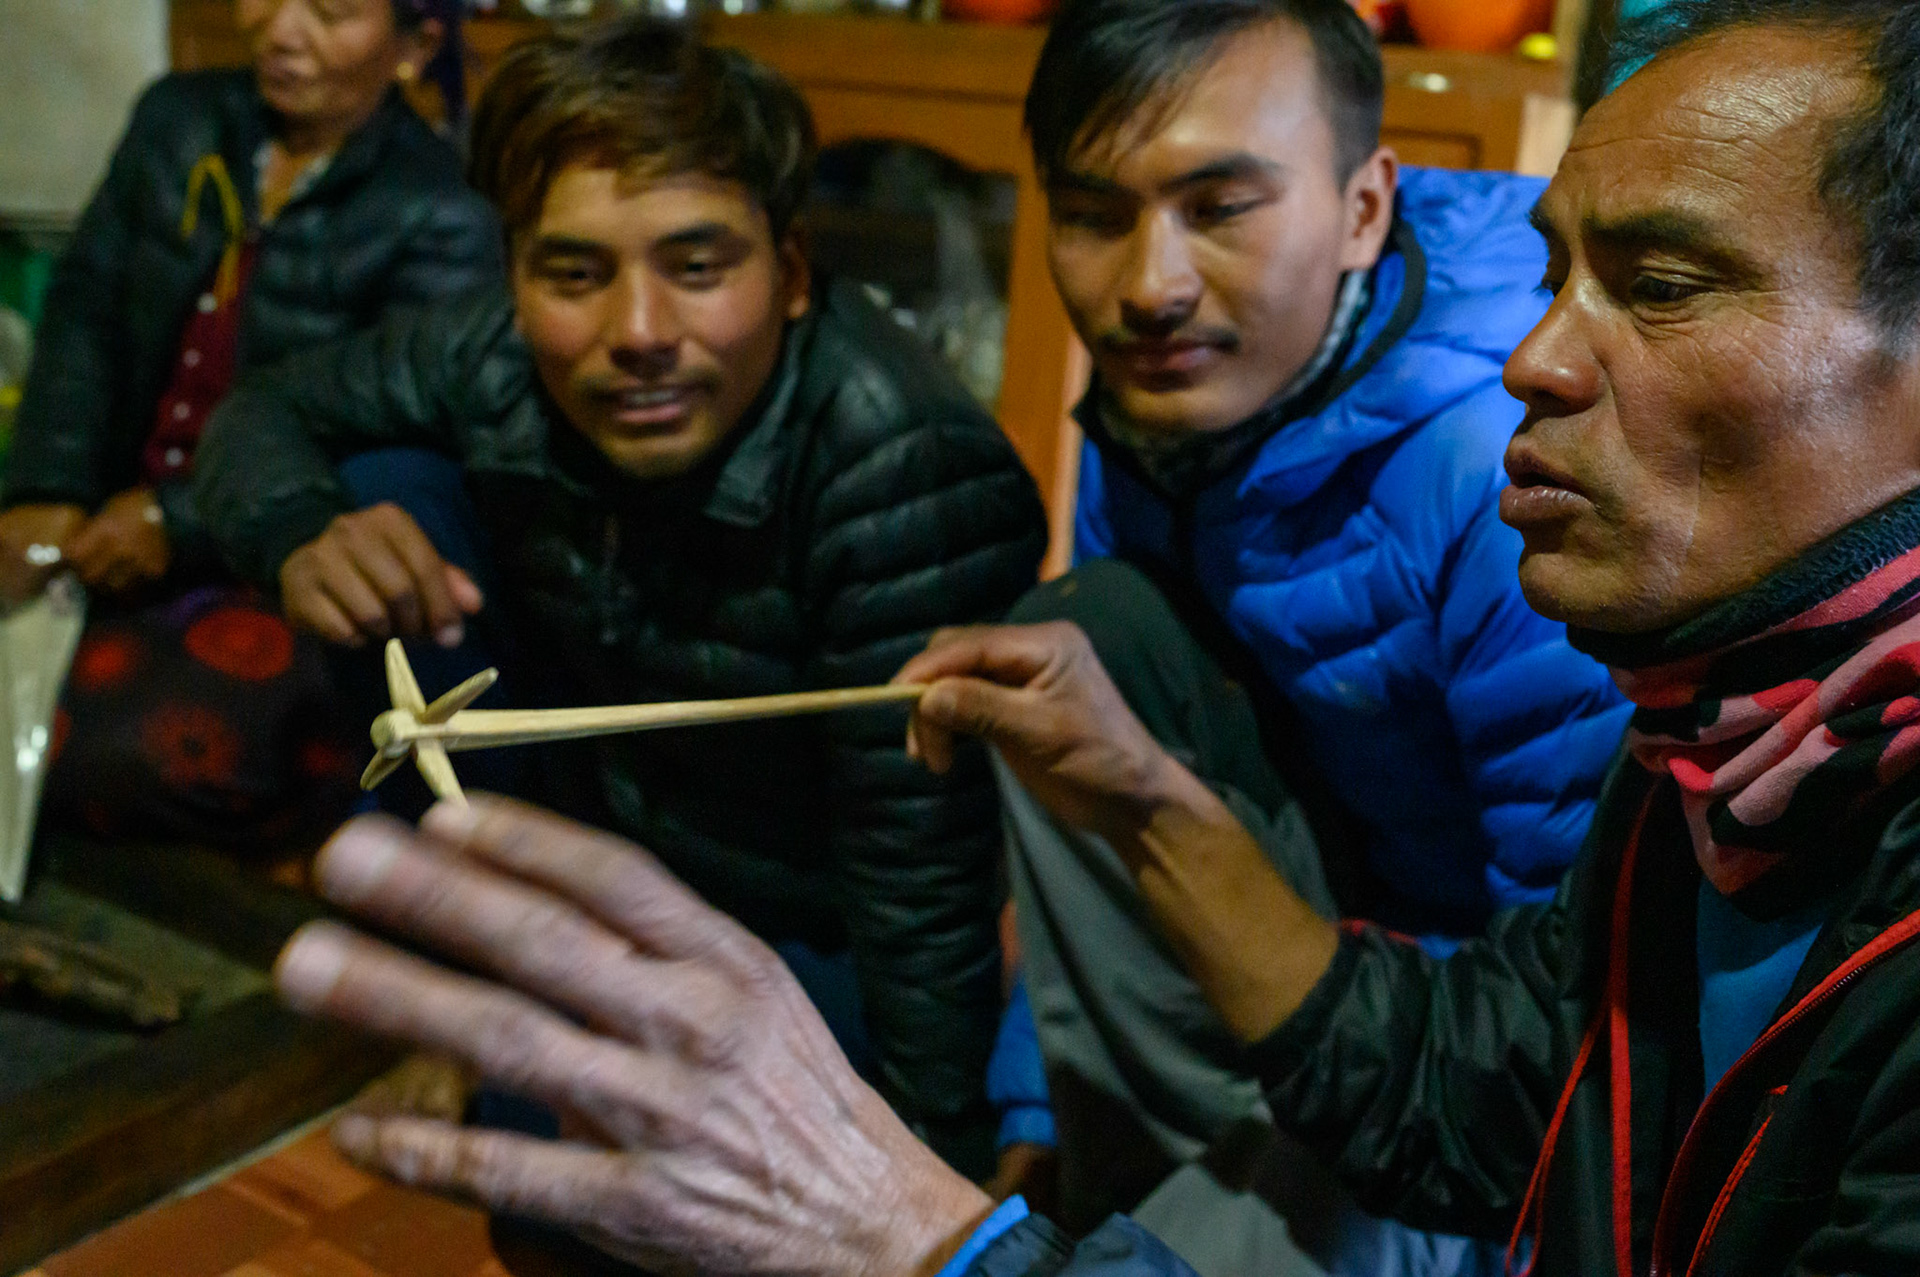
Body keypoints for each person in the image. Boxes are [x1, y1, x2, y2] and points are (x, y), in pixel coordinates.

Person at [264, 0, 1920, 1274]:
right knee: (1090, 639)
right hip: (1358, 967)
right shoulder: (1723, 738)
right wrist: (1125, 813)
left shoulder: (1507, 516)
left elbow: (1524, 1119)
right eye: (1562, 275)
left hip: (1413, 958)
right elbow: (1488, 1082)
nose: (1539, 364)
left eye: (1669, 283)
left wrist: (908, 1218)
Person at [193, 17, 1048, 1176]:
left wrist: (929, 1178)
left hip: (804, 908)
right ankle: (484, 963)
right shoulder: (497, 352)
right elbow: (263, 413)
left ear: (791, 273)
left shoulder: (897, 463)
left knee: (568, 1159)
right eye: (575, 272)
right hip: (611, 827)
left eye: (698, 267)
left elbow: (920, 862)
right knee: (384, 490)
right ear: (518, 274)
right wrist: (299, 531)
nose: (637, 333)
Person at [984, 0, 1626, 1265]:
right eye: (1096, 214)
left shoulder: (1503, 477)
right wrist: (1028, 1095)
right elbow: (1113, 755)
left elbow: (1575, 995)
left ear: (1364, 210)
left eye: (1221, 206)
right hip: (1311, 923)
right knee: (1074, 644)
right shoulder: (1175, 403)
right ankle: (1171, 1163)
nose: (1150, 286)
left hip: (1468, 1025)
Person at [0, 0, 499, 846]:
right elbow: (87, 308)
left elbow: (381, 444)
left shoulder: (441, 208)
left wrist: (177, 520)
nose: (280, 31)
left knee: (109, 743)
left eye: (331, 12)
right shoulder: (179, 121)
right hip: (100, 522)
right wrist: (46, 491)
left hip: (272, 562)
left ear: (413, 46)